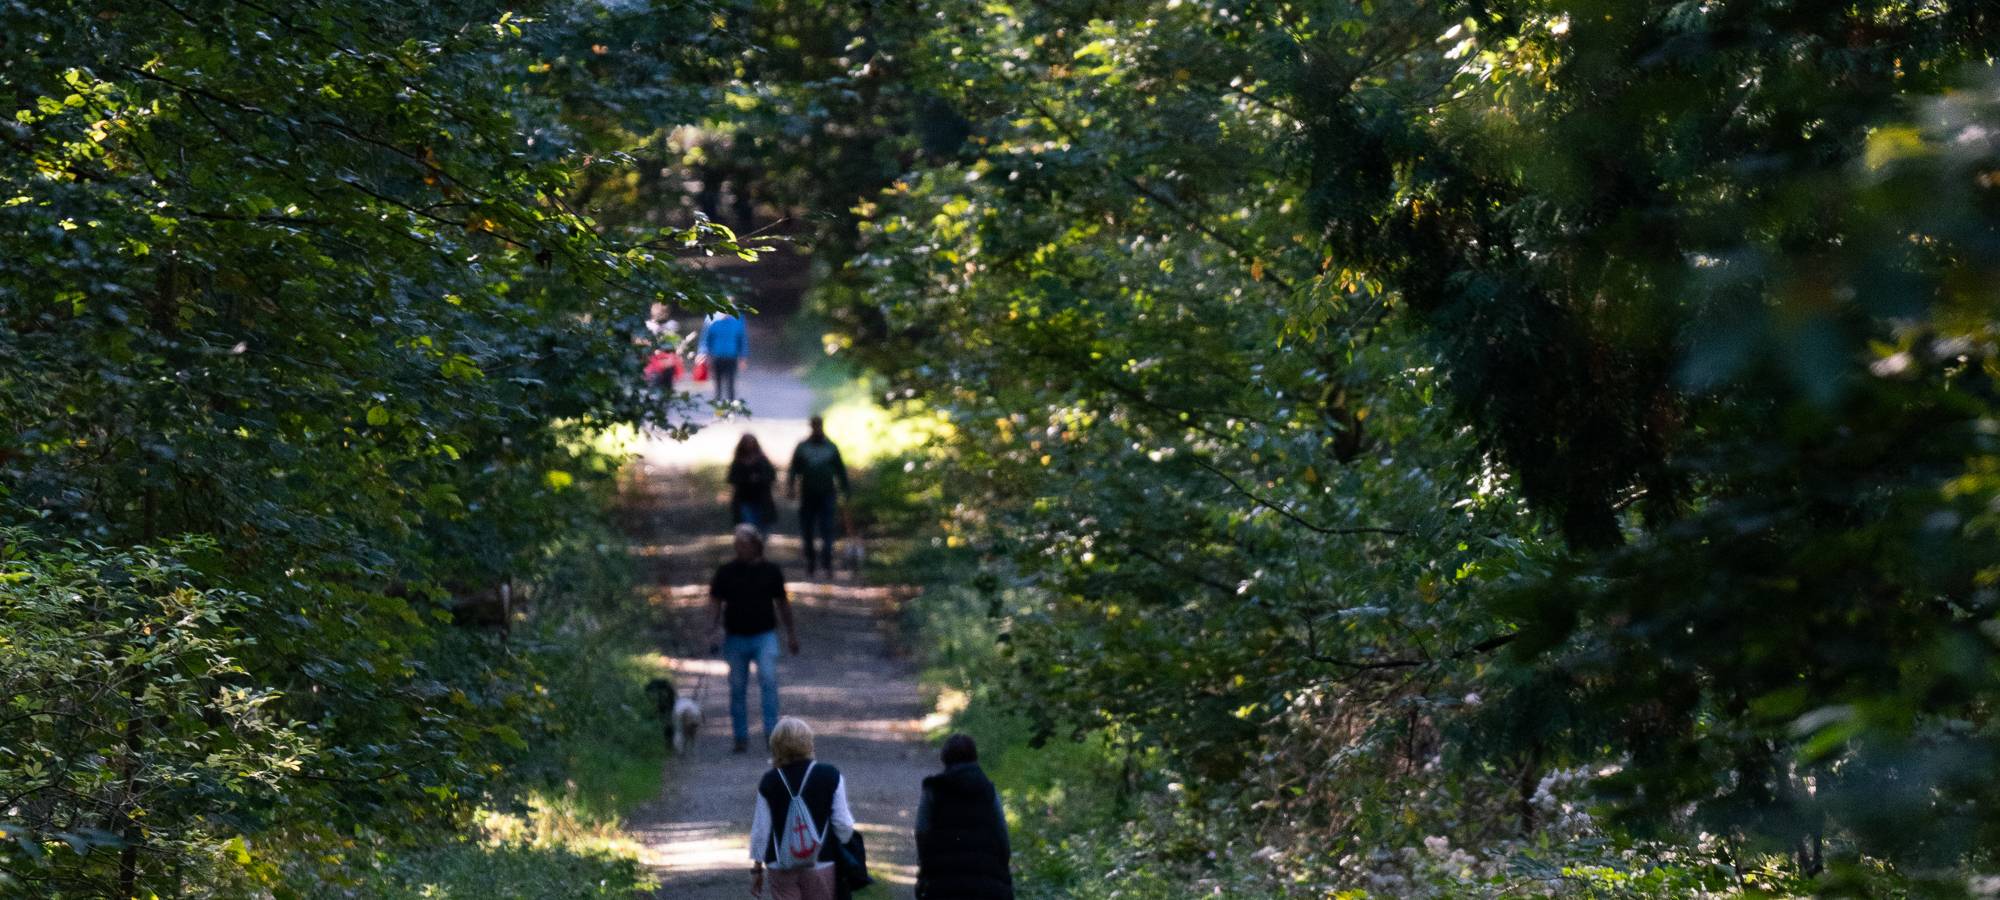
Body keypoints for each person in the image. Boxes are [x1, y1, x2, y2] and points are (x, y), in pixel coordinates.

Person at [711, 524, 799, 753]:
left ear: (755, 545)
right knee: (737, 687)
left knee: (768, 681)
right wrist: (711, 630)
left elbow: (782, 603)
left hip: (764, 635)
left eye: (744, 543)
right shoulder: (726, 572)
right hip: (735, 637)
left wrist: (791, 633)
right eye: (737, 544)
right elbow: (715, 602)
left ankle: (772, 733)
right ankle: (740, 736)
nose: (740, 548)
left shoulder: (771, 571)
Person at [749, 717, 856, 900]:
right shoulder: (830, 775)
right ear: (808, 742)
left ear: (775, 745)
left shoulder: (769, 781)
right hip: (821, 862)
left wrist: (757, 869)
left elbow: (761, 831)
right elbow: (843, 825)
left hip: (780, 864)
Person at [915, 734, 1013, 900]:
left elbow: (922, 831)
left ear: (945, 758)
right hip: (986, 879)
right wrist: (1002, 867)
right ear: (974, 758)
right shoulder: (988, 790)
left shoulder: (934, 789)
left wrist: (924, 869)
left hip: (943, 879)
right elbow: (1001, 832)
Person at [787, 416, 850, 578]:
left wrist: (845, 490)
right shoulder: (802, 448)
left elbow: (840, 470)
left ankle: (827, 562)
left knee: (827, 528)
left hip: (827, 494)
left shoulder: (831, 448)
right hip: (808, 494)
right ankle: (811, 562)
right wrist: (791, 487)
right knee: (807, 530)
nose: (817, 428)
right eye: (814, 426)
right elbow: (794, 469)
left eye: (819, 426)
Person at [729, 434, 780, 530]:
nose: (749, 445)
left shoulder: (762, 460)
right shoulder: (738, 461)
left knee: (762, 528)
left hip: (762, 499)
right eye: (747, 443)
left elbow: (771, 475)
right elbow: (732, 479)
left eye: (751, 442)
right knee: (749, 528)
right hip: (744, 499)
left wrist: (760, 478)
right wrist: (746, 479)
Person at [700, 310, 748, 403]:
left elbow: (742, 339)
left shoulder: (738, 318)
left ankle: (731, 409)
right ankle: (718, 409)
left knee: (730, 384)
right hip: (716, 357)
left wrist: (743, 357)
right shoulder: (711, 318)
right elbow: (706, 338)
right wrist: (704, 353)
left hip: (731, 356)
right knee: (717, 384)